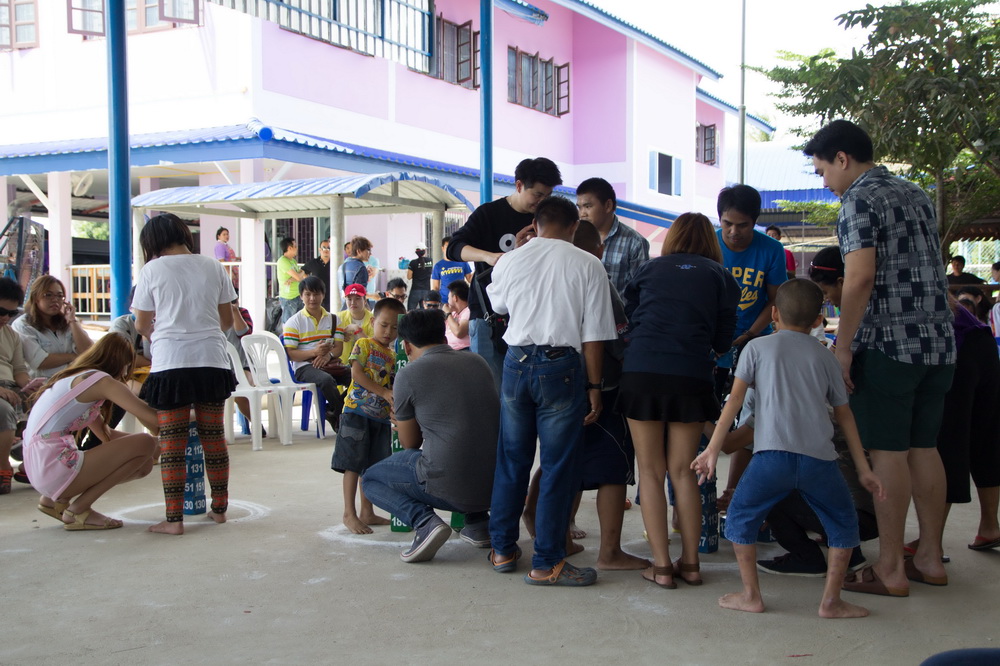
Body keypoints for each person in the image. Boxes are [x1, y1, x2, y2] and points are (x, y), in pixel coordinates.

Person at [805, 119, 956, 596]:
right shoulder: (915, 192)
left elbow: (859, 277)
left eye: (823, 171)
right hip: (938, 343)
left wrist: (843, 347)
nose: (825, 183)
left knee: (888, 453)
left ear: (842, 158)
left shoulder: (859, 200)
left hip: (890, 345)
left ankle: (890, 568)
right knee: (924, 448)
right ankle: (928, 557)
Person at [692, 279, 885, 618]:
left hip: (770, 458)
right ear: (818, 320)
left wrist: (712, 450)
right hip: (820, 461)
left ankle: (751, 595)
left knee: (740, 519)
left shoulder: (756, 348)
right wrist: (864, 468)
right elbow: (845, 416)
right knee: (843, 524)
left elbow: (734, 401)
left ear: (774, 314)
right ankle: (831, 601)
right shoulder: (826, 357)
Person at [486, 196, 616, 587]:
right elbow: (594, 336)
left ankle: (502, 549)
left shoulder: (511, 260)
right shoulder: (588, 264)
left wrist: (518, 250)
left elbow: (499, 305)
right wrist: (595, 386)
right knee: (559, 466)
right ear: (574, 226)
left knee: (512, 459)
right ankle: (546, 562)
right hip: (561, 369)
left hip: (515, 363)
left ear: (536, 224)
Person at [620, 212, 740, 588]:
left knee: (650, 472)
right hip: (691, 374)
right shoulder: (722, 277)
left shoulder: (647, 269)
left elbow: (629, 318)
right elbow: (723, 341)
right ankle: (690, 564)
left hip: (642, 371)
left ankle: (660, 568)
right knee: (684, 472)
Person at [362, 309, 500, 562]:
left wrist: (401, 423)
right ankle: (479, 524)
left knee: (371, 479)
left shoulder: (408, 374)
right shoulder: (478, 362)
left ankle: (424, 522)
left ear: (406, 345)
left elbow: (410, 443)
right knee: (466, 444)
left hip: (449, 486)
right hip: (493, 486)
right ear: (444, 337)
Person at [133, 212, 238, 536]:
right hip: (211, 360)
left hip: (171, 363)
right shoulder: (212, 265)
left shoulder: (151, 270)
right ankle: (219, 510)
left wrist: (164, 332)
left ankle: (174, 519)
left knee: (172, 444)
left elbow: (141, 324)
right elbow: (226, 320)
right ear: (183, 234)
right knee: (213, 438)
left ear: (151, 242)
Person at [569, 219, 649, 570]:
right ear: (599, 250)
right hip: (602, 387)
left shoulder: (551, 276)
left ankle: (556, 535)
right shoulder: (598, 279)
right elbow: (616, 338)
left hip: (557, 382)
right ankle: (610, 553)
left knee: (562, 461)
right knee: (614, 466)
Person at [447, 157, 563, 390]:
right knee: (490, 386)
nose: (542, 202)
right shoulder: (489, 214)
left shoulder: (546, 219)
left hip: (530, 315)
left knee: (522, 391)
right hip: (487, 317)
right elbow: (454, 248)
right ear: (519, 185)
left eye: (548, 196)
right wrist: (489, 256)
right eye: (538, 195)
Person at [23, 334, 160, 529]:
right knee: (146, 442)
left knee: (145, 462)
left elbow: (107, 436)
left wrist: (156, 444)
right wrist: (195, 414)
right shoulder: (102, 381)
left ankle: (55, 501)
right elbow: (154, 419)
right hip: (53, 465)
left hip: (41, 466)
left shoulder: (78, 380)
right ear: (123, 364)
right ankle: (78, 509)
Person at [713, 185, 788, 510]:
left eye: (742, 225)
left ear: (755, 222)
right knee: (708, 414)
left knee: (751, 419)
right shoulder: (708, 242)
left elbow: (775, 300)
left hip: (755, 342)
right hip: (711, 343)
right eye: (727, 223)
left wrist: (749, 335)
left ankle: (733, 492)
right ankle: (701, 494)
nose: (733, 232)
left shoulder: (771, 249)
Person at [331, 296, 406, 535]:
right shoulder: (363, 344)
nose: (388, 331)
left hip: (380, 418)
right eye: (384, 325)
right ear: (373, 322)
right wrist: (383, 392)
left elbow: (392, 387)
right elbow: (357, 375)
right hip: (356, 413)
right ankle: (349, 513)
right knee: (352, 464)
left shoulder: (394, 356)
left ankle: (367, 511)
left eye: (394, 328)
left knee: (371, 467)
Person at [283, 276, 345, 432]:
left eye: (316, 294)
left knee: (358, 376)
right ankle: (343, 416)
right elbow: (291, 354)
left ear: (323, 295)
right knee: (326, 380)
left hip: (330, 364)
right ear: (301, 296)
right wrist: (314, 352)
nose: (312, 298)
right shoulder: (293, 322)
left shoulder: (334, 320)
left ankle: (332, 411)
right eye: (308, 294)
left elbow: (339, 349)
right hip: (304, 367)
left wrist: (327, 356)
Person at [575, 177, 649, 293]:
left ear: (608, 206)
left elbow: (640, 290)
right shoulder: (573, 237)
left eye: (588, 206)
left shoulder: (635, 243)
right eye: (579, 207)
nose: (582, 214)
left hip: (617, 305)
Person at [13, 275, 95, 379]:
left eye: (60, 296)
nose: (55, 300)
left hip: (74, 377)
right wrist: (73, 356)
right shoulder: (23, 325)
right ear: (36, 298)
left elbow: (89, 351)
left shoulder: (68, 322)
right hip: (44, 382)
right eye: (48, 295)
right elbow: (39, 361)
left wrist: (72, 321)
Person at [0, 277, 33, 494]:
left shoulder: (11, 335)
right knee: (3, 410)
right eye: (1, 311)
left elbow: (19, 369)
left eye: (12, 313)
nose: (5, 318)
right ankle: (3, 466)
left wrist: (31, 387)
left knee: (48, 403)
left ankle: (32, 463)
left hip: (11, 386)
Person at [331, 283, 374, 375]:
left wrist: (356, 328)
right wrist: (340, 336)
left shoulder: (373, 319)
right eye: (349, 299)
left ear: (365, 300)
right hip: (341, 365)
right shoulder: (338, 318)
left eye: (357, 298)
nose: (353, 302)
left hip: (367, 366)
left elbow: (372, 347)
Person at [276, 237, 306, 323]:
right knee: (288, 323)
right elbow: (299, 277)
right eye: (295, 246)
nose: (297, 248)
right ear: (289, 248)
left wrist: (293, 278)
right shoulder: (283, 261)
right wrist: (299, 275)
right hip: (288, 298)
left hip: (297, 295)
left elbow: (301, 274)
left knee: (299, 322)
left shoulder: (293, 261)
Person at [302, 239, 333, 310]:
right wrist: (309, 283)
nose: (326, 250)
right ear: (320, 249)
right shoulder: (314, 262)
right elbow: (303, 271)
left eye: (329, 248)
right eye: (324, 247)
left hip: (332, 296)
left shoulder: (335, 262)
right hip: (317, 295)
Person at [442, 280, 470, 351]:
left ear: (455, 298)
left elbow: (459, 332)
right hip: (448, 350)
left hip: (461, 350)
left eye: (448, 298)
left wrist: (448, 314)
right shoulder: (454, 313)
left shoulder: (468, 311)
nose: (447, 301)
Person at [406, 243, 433, 311]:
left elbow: (409, 277)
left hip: (415, 290)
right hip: (427, 290)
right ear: (425, 251)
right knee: (425, 312)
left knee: (411, 311)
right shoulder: (431, 261)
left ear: (416, 252)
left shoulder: (413, 263)